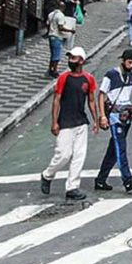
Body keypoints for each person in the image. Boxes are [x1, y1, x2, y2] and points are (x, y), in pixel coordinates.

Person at [40, 47, 104, 201]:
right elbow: (57, 100)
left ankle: (72, 187)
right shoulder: (64, 78)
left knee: (79, 156)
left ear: (81, 60)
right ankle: (47, 174)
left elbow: (91, 100)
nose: (70, 61)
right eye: (70, 58)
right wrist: (54, 122)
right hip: (65, 122)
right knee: (63, 154)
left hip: (81, 122)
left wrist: (95, 119)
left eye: (74, 58)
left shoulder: (88, 79)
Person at [94, 48, 132, 192]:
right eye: (129, 62)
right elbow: (101, 94)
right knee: (120, 147)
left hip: (126, 115)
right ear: (123, 61)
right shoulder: (110, 75)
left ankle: (100, 179)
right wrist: (102, 116)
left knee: (114, 148)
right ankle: (127, 180)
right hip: (115, 116)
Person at [47, 0, 77, 78]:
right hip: (57, 36)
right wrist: (70, 30)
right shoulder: (60, 15)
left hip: (51, 35)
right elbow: (60, 28)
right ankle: (54, 70)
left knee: (53, 54)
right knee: (57, 55)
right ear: (62, 7)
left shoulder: (51, 14)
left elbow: (47, 24)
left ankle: (50, 69)